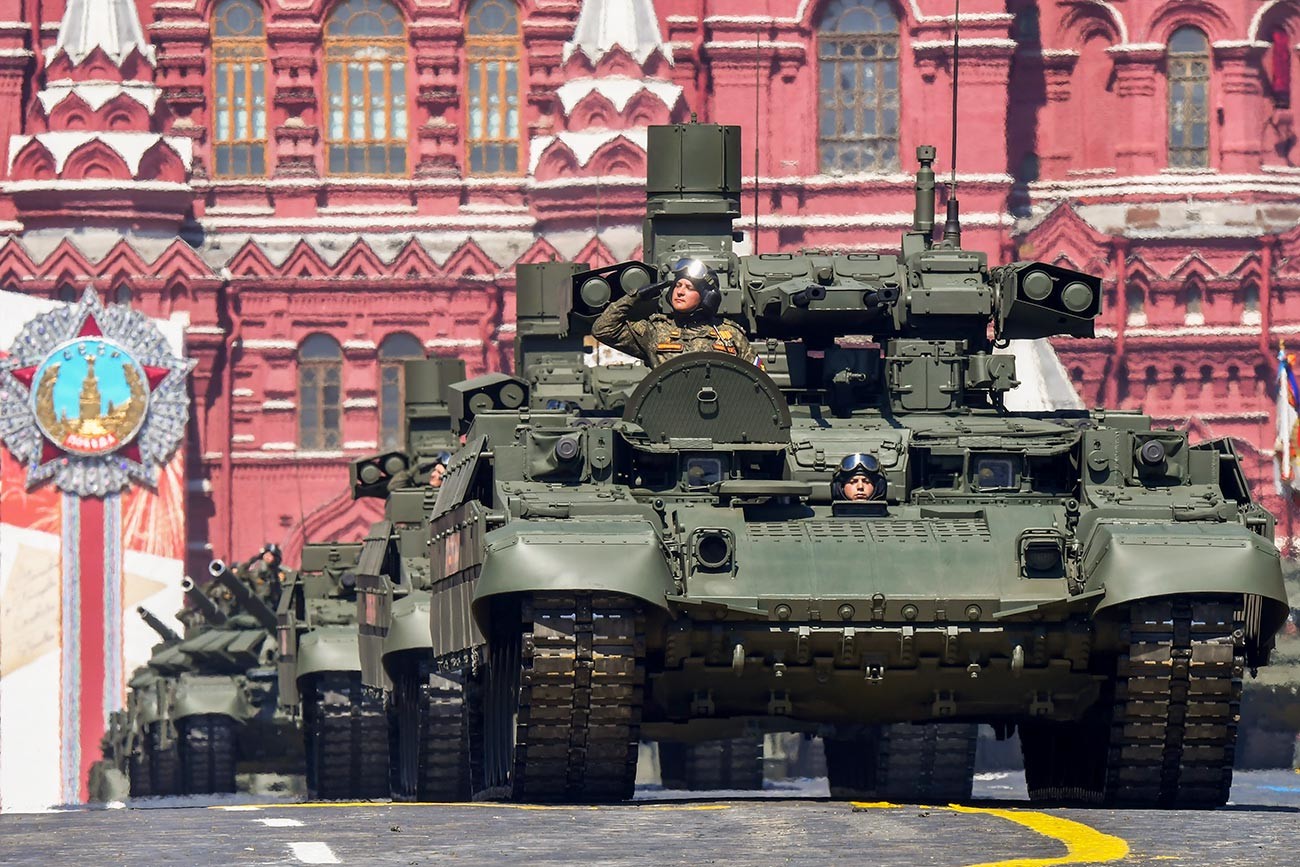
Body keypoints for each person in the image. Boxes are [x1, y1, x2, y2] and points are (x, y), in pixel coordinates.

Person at [591, 257, 756, 367]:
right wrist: (635, 296)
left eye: (689, 287)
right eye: (677, 285)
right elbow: (603, 329)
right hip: (668, 412)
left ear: (707, 297)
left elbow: (758, 380)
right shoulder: (654, 331)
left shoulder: (729, 334)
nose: (680, 292)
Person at [386, 451, 451, 493]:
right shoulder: (419, 489)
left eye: (439, 472)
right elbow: (392, 487)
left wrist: (446, 476)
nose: (433, 474)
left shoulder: (449, 492)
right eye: (434, 470)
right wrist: (414, 469)